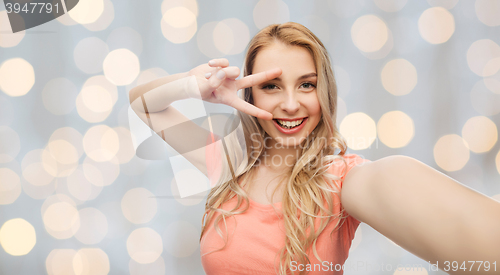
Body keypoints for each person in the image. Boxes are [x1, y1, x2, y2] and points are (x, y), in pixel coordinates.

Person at [129, 22, 500, 275]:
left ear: (324, 92)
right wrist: (195, 86)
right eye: (272, 86)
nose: (291, 104)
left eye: (306, 85)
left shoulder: (342, 181)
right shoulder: (230, 163)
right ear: (249, 92)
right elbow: (142, 102)